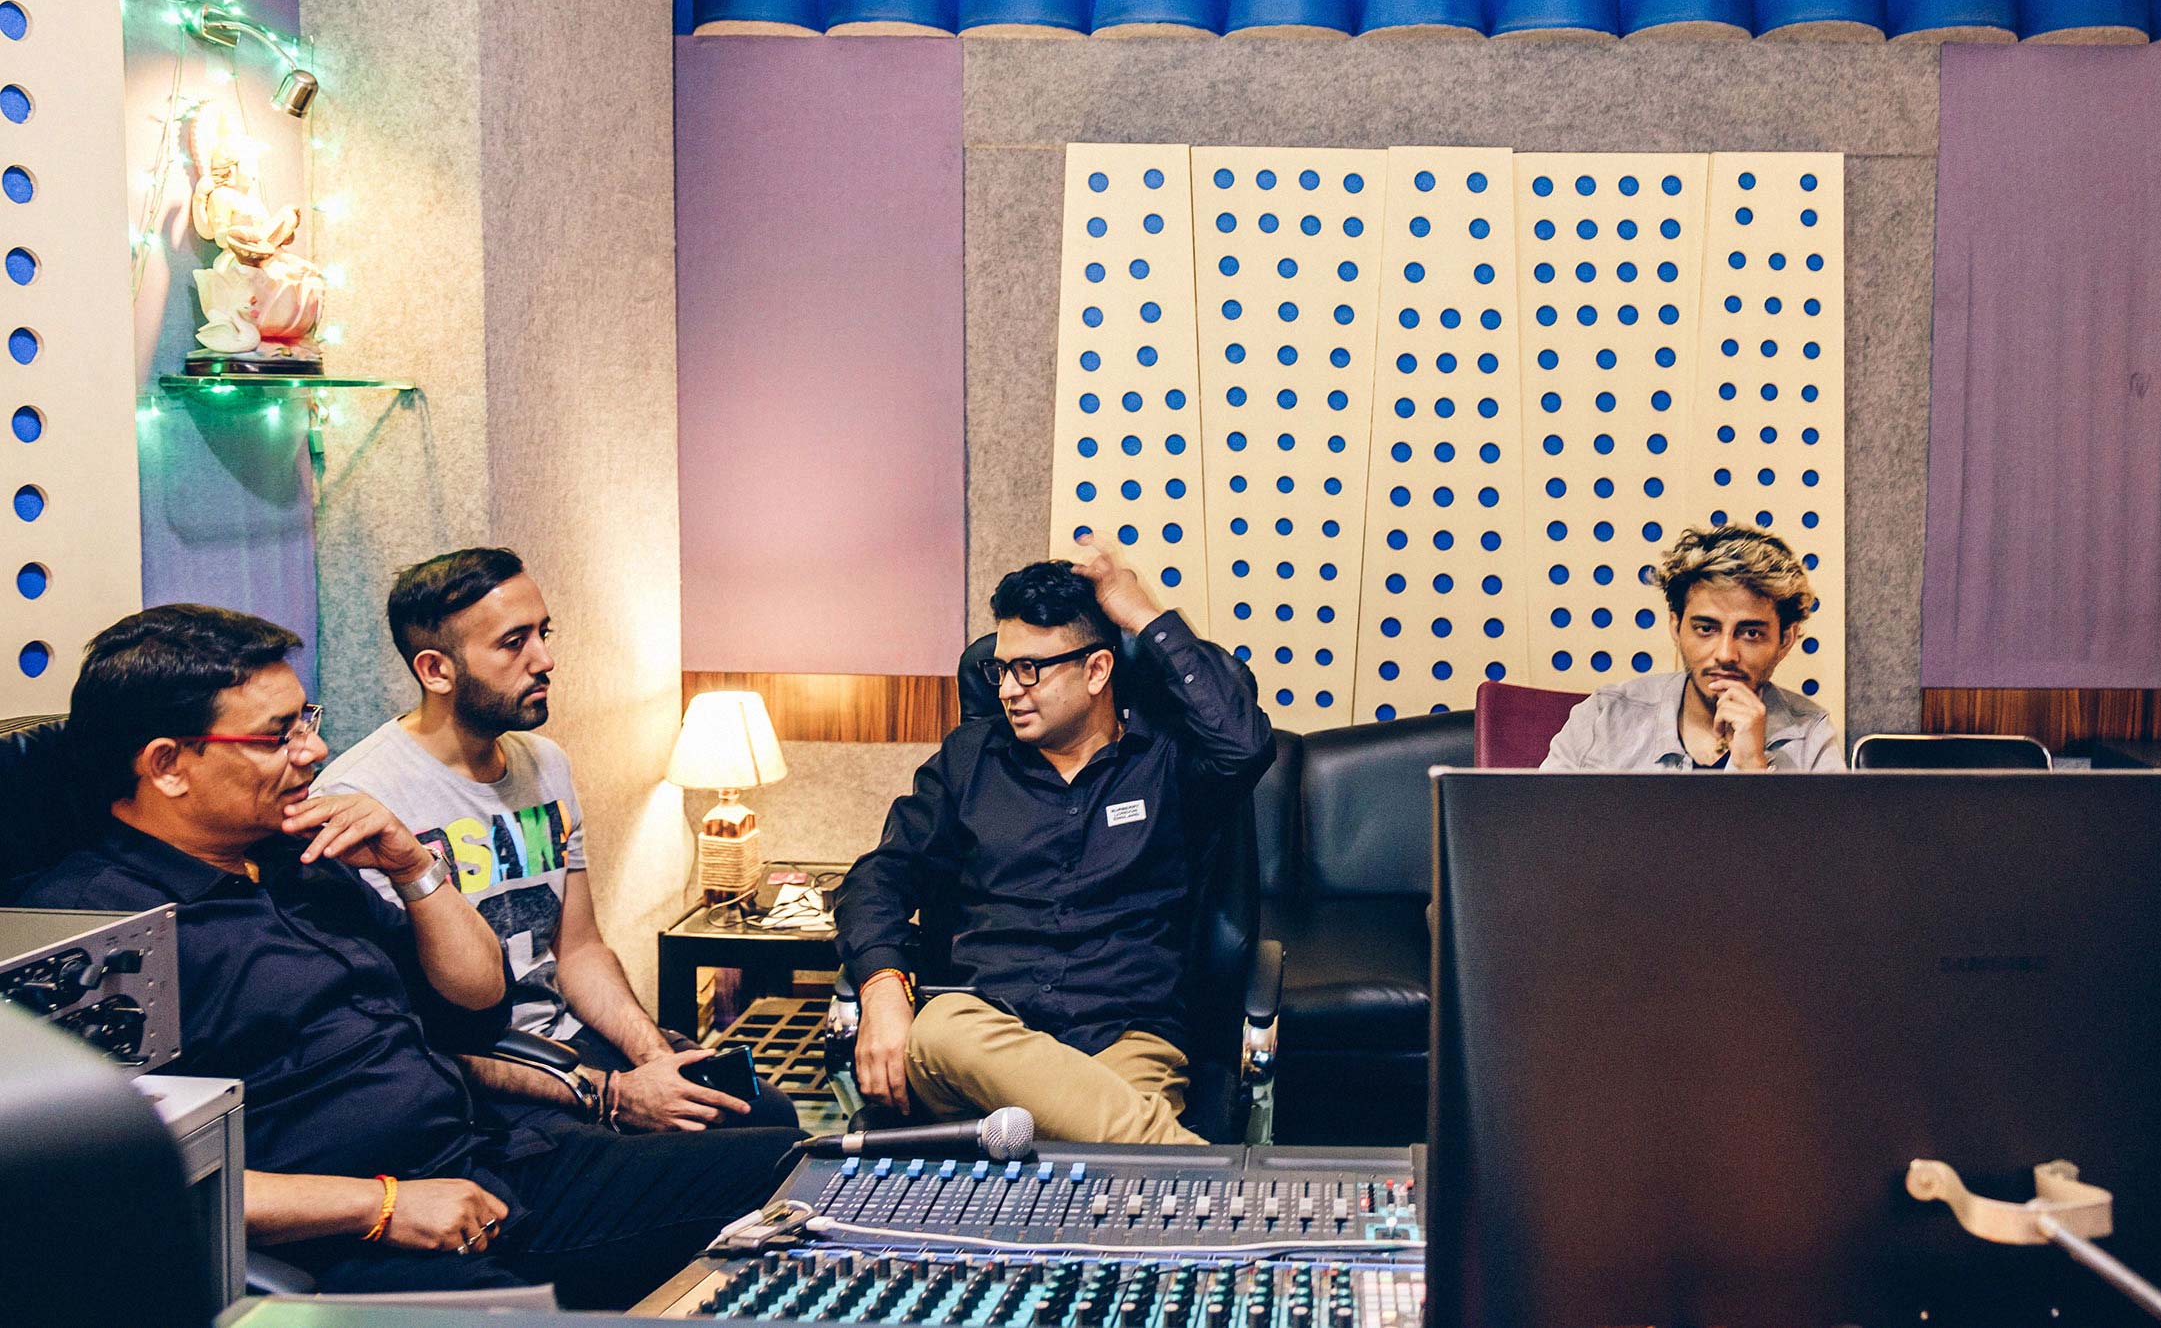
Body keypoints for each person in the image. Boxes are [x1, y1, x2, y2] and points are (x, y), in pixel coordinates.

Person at [15, 605, 797, 1305]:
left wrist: (412, 867)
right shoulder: (95, 934)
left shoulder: (301, 857)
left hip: (496, 1161)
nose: (314, 749)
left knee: (803, 1173)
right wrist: (381, 1206)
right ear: (167, 765)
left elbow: (476, 1002)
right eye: (275, 736)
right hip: (361, 1239)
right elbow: (111, 1183)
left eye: (306, 719)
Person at [315, 547, 795, 1135]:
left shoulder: (545, 764)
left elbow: (580, 951)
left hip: (568, 1042)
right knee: (729, 1157)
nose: (545, 659)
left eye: (543, 633)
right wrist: (615, 1095)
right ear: (436, 670)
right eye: (513, 643)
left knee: (765, 1115)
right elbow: (405, 1031)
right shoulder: (359, 799)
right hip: (482, 1075)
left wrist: (656, 1059)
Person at [836, 534, 1275, 1145]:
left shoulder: (1167, 762)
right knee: (941, 1030)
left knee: (1108, 1141)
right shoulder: (971, 760)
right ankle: (1203, 1174)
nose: (1008, 690)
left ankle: (1147, 1160)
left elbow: (1245, 743)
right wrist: (883, 987)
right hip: (980, 1039)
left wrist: (1140, 613)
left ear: (1098, 670)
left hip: (1127, 1039)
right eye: (1001, 669)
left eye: (1029, 669)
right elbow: (878, 877)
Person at [1542, 522, 1842, 772]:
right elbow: (1538, 833)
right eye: (1706, 629)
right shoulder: (1604, 717)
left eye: (1751, 633)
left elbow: (1827, 845)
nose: (1725, 654)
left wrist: (1753, 768)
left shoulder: (1810, 736)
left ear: (1784, 641)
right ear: (1676, 628)